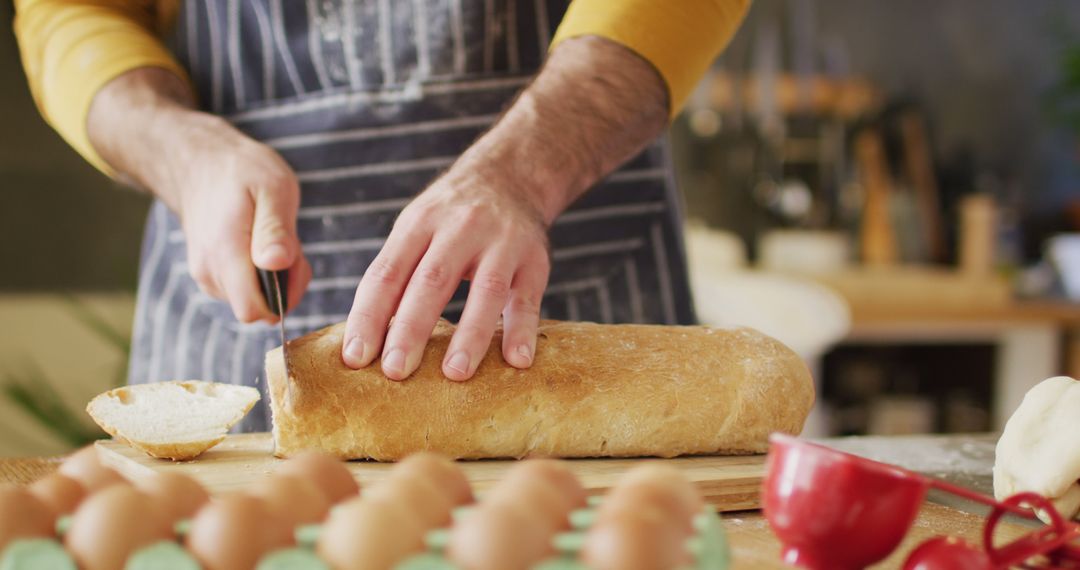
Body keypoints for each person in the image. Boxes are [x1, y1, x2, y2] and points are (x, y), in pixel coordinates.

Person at [15, 0, 749, 430]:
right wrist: (180, 151)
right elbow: (68, 13)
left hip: (582, 270)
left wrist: (527, 169)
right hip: (230, 297)